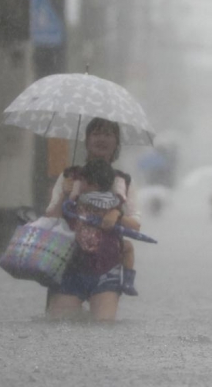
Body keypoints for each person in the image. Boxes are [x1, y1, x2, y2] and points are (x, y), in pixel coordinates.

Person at [44, 117, 141, 321]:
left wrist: (117, 215)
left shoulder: (123, 181)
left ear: (116, 143)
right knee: (58, 326)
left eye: (108, 134)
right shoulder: (69, 177)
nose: (102, 139)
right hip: (68, 267)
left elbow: (136, 225)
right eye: (96, 133)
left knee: (103, 326)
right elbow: (50, 219)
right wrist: (63, 194)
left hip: (107, 268)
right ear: (87, 141)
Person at [65, 159, 141, 296]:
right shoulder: (112, 201)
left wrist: (69, 196)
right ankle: (128, 281)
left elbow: (67, 212)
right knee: (128, 247)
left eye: (82, 181)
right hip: (104, 248)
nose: (79, 184)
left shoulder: (81, 199)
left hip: (81, 245)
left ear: (91, 184)